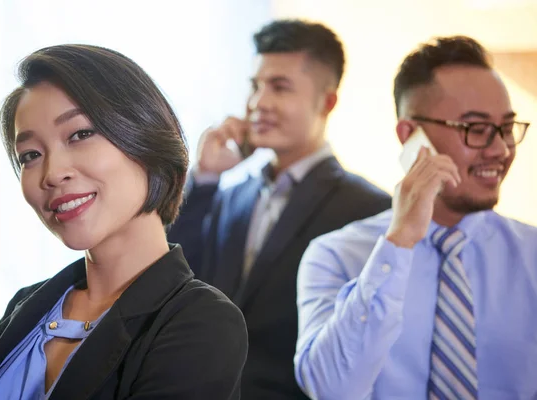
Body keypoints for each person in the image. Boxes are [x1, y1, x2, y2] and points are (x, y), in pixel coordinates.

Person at [0, 44, 248, 400]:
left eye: (79, 134)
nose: (52, 173)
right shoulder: (27, 303)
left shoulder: (201, 322)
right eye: (31, 155)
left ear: (145, 137)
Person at [294, 35, 535, 399]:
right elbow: (330, 389)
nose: (500, 149)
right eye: (476, 129)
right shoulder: (335, 255)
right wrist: (399, 242)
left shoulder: (532, 254)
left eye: (506, 128)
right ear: (411, 135)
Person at [167, 20, 391, 399]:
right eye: (255, 86)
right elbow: (176, 279)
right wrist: (203, 177)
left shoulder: (370, 209)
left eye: (280, 87)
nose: (258, 103)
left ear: (327, 101)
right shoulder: (229, 195)